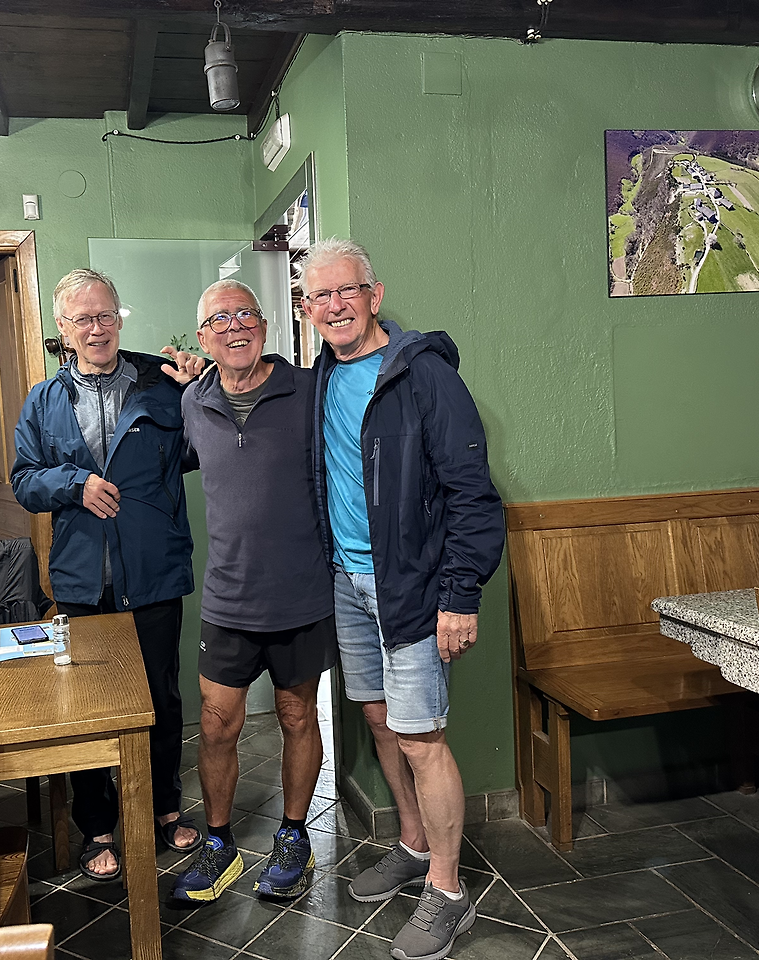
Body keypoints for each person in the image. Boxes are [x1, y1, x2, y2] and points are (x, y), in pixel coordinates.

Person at [301, 239, 505, 960]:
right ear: (307, 308)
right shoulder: (321, 378)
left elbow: (473, 493)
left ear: (374, 295)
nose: (335, 306)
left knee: (422, 738)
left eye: (346, 291)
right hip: (347, 583)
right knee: (381, 721)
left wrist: (460, 595)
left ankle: (447, 891)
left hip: (413, 589)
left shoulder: (423, 374)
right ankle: (414, 845)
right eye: (320, 296)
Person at [11, 268, 206, 882]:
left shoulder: (163, 382)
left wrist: (202, 388)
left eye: (105, 316)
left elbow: (201, 449)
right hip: (82, 580)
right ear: (62, 328)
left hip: (153, 572)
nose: (96, 329)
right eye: (82, 319)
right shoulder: (43, 400)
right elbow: (23, 480)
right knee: (86, 707)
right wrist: (74, 484)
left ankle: (164, 807)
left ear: (119, 318)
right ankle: (96, 825)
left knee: (161, 698)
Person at [170, 279, 336, 904]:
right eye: (220, 319)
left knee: (297, 716)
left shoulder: (309, 390)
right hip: (228, 598)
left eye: (246, 314)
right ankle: (220, 844)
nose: (235, 326)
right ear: (203, 337)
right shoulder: (192, 402)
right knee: (216, 725)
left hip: (301, 593)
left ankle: (294, 836)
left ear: (265, 326)